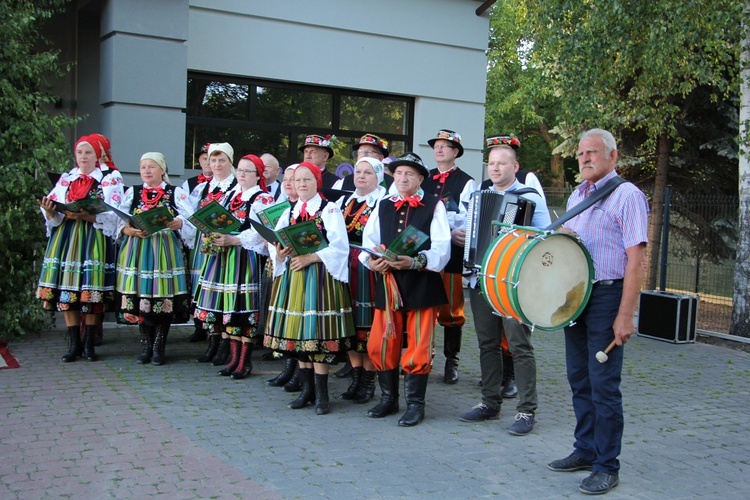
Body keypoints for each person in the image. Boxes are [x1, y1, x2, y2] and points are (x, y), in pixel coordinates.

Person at [547, 129, 648, 496]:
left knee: (604, 386)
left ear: (612, 156)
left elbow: (637, 262)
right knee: (579, 379)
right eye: (581, 153)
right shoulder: (578, 195)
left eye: (593, 152)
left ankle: (607, 465)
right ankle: (586, 450)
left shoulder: (628, 196)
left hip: (608, 297)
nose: (585, 158)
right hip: (578, 297)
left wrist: (626, 315)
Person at [459, 139, 551, 436]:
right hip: (481, 279)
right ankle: (490, 402)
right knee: (488, 344)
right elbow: (469, 232)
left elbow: (544, 236)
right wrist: (460, 236)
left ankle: (527, 411)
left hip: (513, 283)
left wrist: (522, 234)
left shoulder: (528, 196)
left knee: (518, 345)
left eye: (502, 162)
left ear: (515, 167)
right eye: (492, 163)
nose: (495, 167)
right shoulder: (478, 196)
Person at [359, 152, 451, 427]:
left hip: (422, 284)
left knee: (419, 345)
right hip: (389, 284)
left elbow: (442, 247)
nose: (402, 178)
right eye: (398, 173)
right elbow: (369, 241)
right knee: (382, 341)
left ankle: (415, 405)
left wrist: (415, 261)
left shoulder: (435, 205)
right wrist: (372, 261)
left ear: (421, 178)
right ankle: (388, 399)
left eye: (409, 174)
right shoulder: (383, 205)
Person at [264, 162, 355, 415]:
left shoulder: (330, 209)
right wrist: (280, 252)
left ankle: (322, 395)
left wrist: (312, 257)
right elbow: (276, 241)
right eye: (297, 180)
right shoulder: (289, 210)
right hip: (295, 277)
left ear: (317, 182)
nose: (302, 184)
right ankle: (307, 391)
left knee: (316, 332)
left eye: (307, 179)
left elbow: (339, 246)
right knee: (300, 333)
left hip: (319, 277)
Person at [36, 135, 123, 362]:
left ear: (98, 155)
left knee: (91, 290)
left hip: (92, 237)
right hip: (66, 237)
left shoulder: (109, 177)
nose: (83, 157)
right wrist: (49, 211)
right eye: (80, 153)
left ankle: (89, 344)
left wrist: (88, 216)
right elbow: (55, 209)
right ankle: (74, 343)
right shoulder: (67, 178)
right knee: (68, 289)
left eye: (88, 153)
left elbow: (115, 211)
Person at [193, 154, 274, 379]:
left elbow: (262, 231)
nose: (242, 174)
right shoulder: (230, 194)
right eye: (240, 170)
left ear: (258, 176)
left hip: (245, 257)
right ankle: (233, 359)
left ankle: (244, 362)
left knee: (243, 308)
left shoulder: (263, 198)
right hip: (225, 257)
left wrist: (235, 239)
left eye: (248, 171)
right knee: (228, 308)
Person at [115, 152, 192, 365]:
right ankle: (146, 345)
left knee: (162, 296)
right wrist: (128, 230)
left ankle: (159, 346)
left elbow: (190, 217)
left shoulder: (175, 192)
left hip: (164, 250)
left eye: (151, 167)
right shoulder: (133, 192)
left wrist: (179, 222)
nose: (147, 171)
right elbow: (118, 218)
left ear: (162, 169)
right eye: (143, 167)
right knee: (142, 297)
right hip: (138, 249)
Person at [420, 129, 477, 384]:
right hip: (428, 252)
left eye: (445, 146)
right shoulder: (425, 178)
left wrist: (453, 231)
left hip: (453, 254)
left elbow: (469, 218)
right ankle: (424, 356)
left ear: (455, 152)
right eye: (437, 146)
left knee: (452, 311)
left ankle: (451, 361)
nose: (439, 150)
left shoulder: (466, 181)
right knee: (425, 306)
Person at [336, 157, 388, 404]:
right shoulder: (345, 200)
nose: (361, 176)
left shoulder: (382, 201)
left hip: (368, 267)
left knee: (366, 326)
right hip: (345, 264)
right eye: (358, 171)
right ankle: (355, 377)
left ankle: (369, 380)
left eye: (368, 172)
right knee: (350, 324)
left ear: (378, 176)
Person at [183, 142, 238, 364]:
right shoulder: (202, 187)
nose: (216, 164)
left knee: (223, 295)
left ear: (230, 162)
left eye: (221, 160)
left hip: (227, 247)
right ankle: (212, 341)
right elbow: (189, 213)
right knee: (208, 295)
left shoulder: (235, 188)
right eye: (213, 160)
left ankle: (225, 344)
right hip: (206, 245)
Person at [182, 142, 213, 343]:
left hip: (216, 239)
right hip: (199, 238)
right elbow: (185, 209)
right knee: (197, 282)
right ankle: (198, 325)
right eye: (205, 159)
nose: (209, 163)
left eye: (213, 159)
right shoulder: (191, 184)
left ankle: (212, 328)